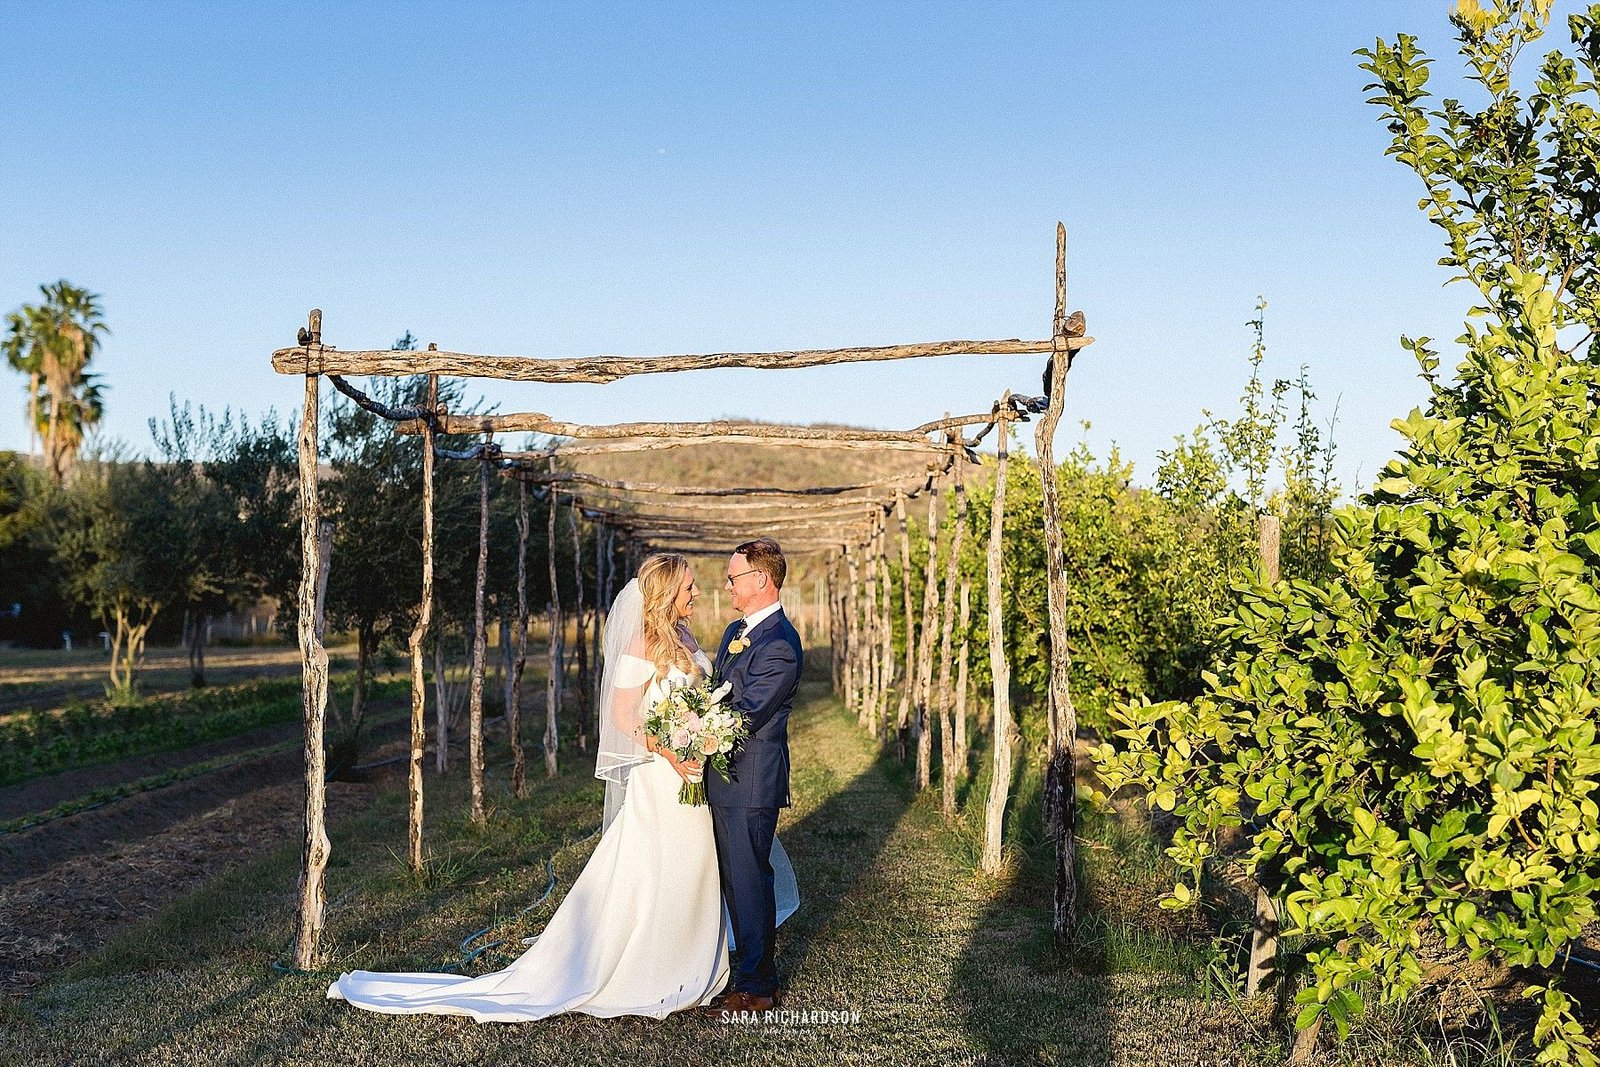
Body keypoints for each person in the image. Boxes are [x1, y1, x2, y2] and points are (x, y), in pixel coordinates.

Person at [326, 552, 795, 1022]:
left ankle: (700, 969)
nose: (700, 592)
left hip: (698, 781)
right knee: (657, 872)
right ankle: (654, 972)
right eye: (689, 586)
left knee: (697, 872)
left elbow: (719, 702)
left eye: (709, 582)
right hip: (662, 777)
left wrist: (695, 739)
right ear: (666, 593)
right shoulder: (641, 642)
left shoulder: (693, 638)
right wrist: (670, 747)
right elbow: (621, 718)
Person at [702, 537, 804, 1015]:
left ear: (761, 581)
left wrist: (690, 732)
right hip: (725, 779)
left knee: (748, 879)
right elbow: (716, 692)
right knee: (732, 878)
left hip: (750, 781)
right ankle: (742, 972)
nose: (727, 587)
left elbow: (744, 714)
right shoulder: (733, 631)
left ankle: (759, 986)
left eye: (733, 578)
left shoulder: (780, 645)